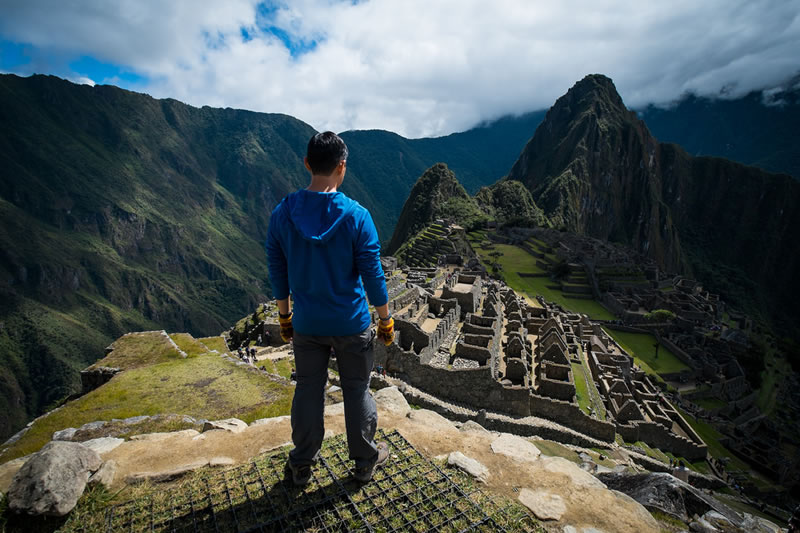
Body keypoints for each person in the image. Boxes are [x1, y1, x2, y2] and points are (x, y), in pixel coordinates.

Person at [266, 131, 395, 486]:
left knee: (308, 387)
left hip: (307, 323)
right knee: (357, 389)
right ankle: (365, 461)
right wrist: (385, 321)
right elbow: (372, 275)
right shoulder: (357, 216)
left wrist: (284, 315)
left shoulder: (283, 213)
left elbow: (277, 269)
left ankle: (302, 463)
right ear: (342, 167)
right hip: (351, 323)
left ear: (307, 164)